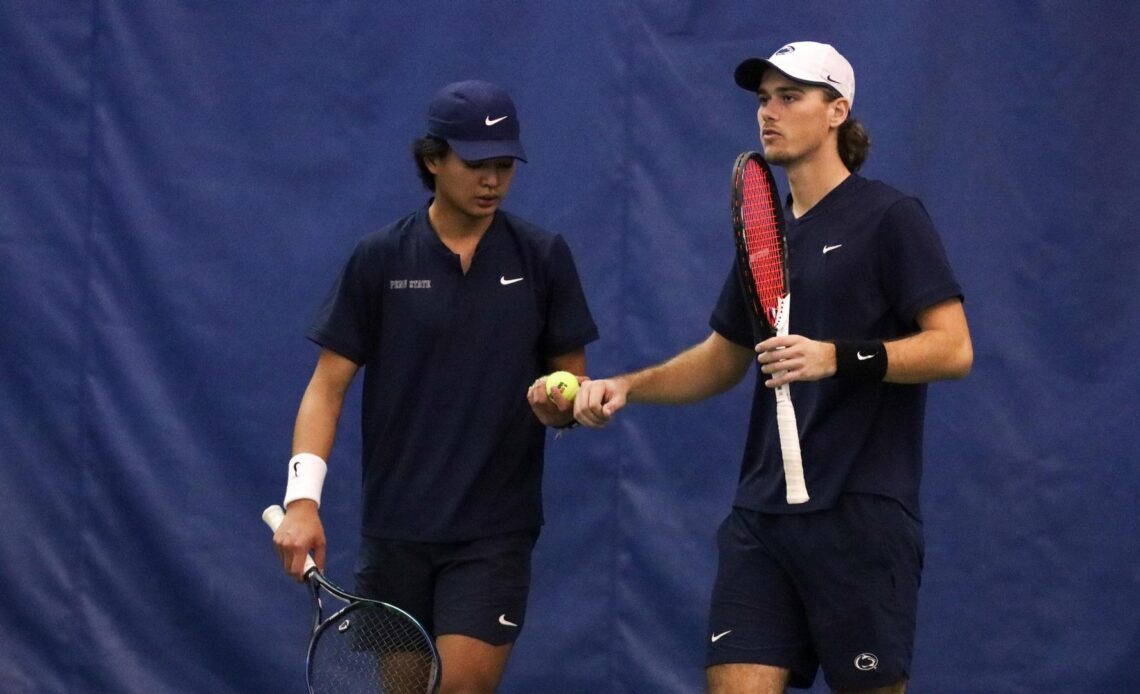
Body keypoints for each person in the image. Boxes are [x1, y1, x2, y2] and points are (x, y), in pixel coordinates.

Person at [573, 42, 972, 693]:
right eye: (764, 98)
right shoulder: (764, 234)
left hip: (860, 516)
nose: (769, 112)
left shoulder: (891, 219)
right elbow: (722, 359)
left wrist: (837, 357)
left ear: (838, 110)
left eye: (791, 96)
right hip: (762, 519)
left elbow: (952, 349)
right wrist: (626, 385)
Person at [271, 79, 598, 693]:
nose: (492, 181)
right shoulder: (379, 260)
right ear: (433, 160)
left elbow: (571, 383)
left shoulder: (544, 257)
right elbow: (326, 388)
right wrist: (303, 501)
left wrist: (562, 405)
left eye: (504, 165)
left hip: (494, 530)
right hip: (396, 531)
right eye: (476, 164)